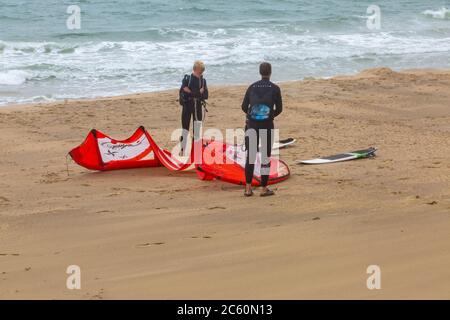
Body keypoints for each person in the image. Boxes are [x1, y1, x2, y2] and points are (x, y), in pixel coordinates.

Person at [241, 62, 283, 197]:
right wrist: (269, 116)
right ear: (270, 72)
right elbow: (280, 109)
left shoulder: (252, 87)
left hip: (252, 125)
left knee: (251, 157)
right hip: (267, 125)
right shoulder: (275, 88)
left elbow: (243, 106)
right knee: (265, 157)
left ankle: (248, 188)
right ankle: (264, 188)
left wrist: (253, 116)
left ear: (260, 72)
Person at [179, 60, 208, 155]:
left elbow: (206, 95)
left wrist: (191, 92)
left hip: (198, 107)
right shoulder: (187, 79)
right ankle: (182, 150)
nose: (200, 74)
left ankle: (196, 152)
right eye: (199, 72)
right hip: (187, 107)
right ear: (194, 70)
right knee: (185, 129)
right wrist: (197, 93)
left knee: (197, 131)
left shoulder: (203, 81)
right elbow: (184, 89)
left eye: (202, 73)